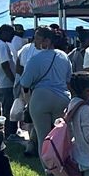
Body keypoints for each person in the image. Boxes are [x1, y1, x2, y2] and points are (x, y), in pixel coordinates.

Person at [17, 26, 72, 155]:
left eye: (37, 38)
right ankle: (61, 168)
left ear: (47, 41)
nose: (34, 41)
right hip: (62, 98)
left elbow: (25, 83)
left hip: (40, 98)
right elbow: (68, 79)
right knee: (60, 137)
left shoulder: (35, 59)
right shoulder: (64, 56)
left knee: (43, 138)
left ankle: (48, 172)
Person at [0, 24, 19, 116]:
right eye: (11, 33)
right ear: (4, 33)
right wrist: (14, 81)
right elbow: (5, 65)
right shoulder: (2, 45)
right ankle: (8, 130)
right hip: (6, 84)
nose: (13, 36)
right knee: (8, 112)